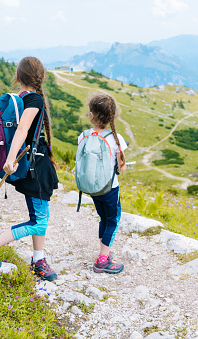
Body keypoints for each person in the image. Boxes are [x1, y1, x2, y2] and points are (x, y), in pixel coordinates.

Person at [0, 56, 59, 281]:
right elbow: (22, 130)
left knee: (38, 215)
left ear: (18, 77)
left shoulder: (17, 99)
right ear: (42, 77)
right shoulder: (35, 99)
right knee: (39, 220)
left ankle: (38, 259)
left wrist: (11, 160)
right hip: (34, 168)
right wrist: (10, 159)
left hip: (26, 166)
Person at [79, 94, 128, 274]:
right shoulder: (116, 139)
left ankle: (103, 250)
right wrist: (122, 165)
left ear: (91, 115)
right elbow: (121, 167)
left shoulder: (83, 136)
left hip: (92, 188)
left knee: (103, 218)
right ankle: (102, 260)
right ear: (111, 116)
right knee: (113, 221)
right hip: (109, 189)